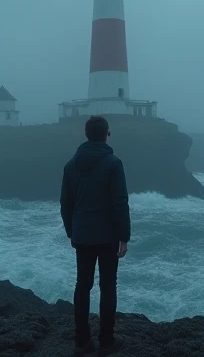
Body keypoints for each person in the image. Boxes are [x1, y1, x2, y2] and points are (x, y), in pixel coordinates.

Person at [60, 115, 130, 356]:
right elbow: (120, 202)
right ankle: (107, 341)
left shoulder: (71, 165)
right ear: (106, 134)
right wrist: (124, 236)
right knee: (108, 286)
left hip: (82, 235)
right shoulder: (113, 163)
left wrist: (72, 231)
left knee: (83, 285)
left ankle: (81, 342)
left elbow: (65, 203)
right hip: (108, 235)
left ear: (87, 135)